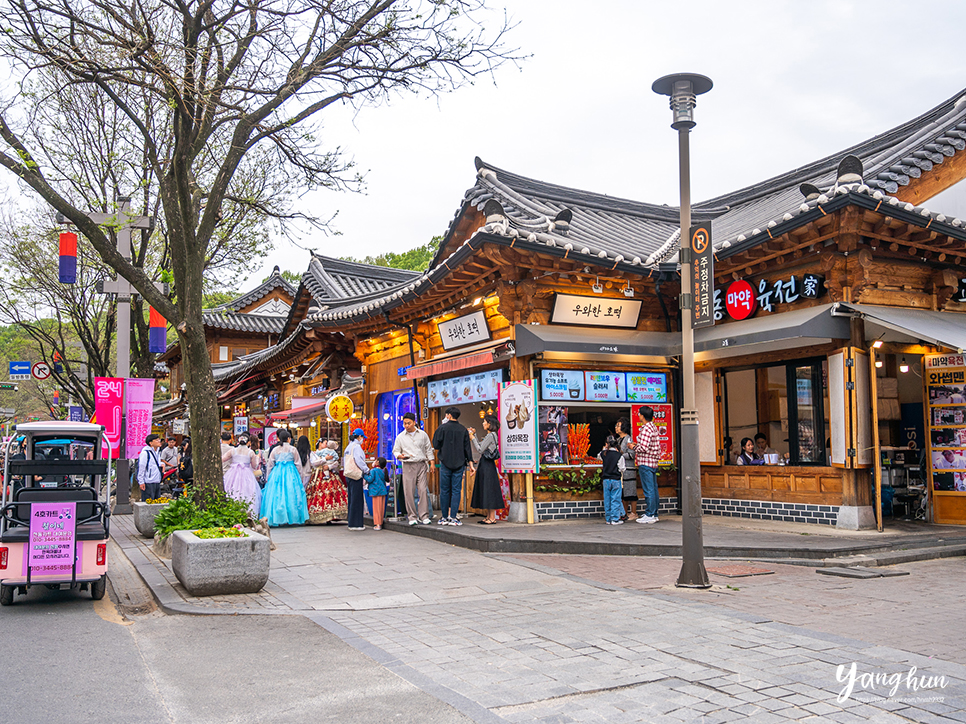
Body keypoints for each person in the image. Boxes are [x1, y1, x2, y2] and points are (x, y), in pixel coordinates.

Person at [432, 406, 474, 526]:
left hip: (445, 463)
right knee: (456, 490)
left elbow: (436, 444)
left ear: (449, 415)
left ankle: (444, 517)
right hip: (460, 464)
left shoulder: (442, 428)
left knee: (444, 490)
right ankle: (454, 517)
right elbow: (467, 449)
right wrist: (471, 464)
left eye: (446, 415)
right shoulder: (463, 430)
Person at [392, 412, 434, 525]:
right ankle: (412, 517)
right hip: (408, 464)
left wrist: (432, 462)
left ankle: (424, 516)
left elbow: (428, 449)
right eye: (405, 423)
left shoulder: (423, 434)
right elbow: (396, 450)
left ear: (414, 422)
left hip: (421, 464)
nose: (406, 425)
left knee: (423, 490)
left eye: (409, 423)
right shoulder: (400, 437)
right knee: (409, 492)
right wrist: (399, 456)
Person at [262, 429, 309, 526]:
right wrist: (301, 476)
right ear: (288, 439)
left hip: (277, 472)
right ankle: (292, 517)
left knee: (277, 495)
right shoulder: (293, 449)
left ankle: (277, 517)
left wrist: (268, 477)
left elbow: (270, 464)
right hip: (291, 472)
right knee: (291, 494)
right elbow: (298, 464)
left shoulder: (275, 450)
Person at [470, 415, 504, 524]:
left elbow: (480, 449)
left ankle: (492, 517)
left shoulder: (491, 435)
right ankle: (489, 516)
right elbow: (482, 447)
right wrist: (474, 435)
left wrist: (473, 438)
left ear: (489, 424)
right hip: (488, 464)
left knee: (489, 489)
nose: (483, 423)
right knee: (488, 489)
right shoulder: (491, 435)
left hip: (487, 465)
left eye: (484, 422)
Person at [305, 439, 347, 524]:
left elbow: (336, 463)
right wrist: (325, 459)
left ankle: (331, 516)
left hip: (330, 474)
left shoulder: (331, 452)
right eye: (325, 443)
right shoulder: (314, 453)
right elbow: (314, 463)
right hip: (319, 474)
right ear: (320, 444)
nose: (327, 445)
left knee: (332, 493)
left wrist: (329, 466)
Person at [222, 434, 262, 518]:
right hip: (246, 473)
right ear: (248, 442)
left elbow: (222, 459)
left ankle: (231, 511)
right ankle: (249, 513)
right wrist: (257, 457)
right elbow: (254, 465)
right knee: (248, 492)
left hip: (233, 472)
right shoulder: (250, 452)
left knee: (231, 489)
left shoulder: (233, 450)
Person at [633, 406, 661, 524]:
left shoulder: (646, 429)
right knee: (653, 489)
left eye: (639, 414)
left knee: (648, 490)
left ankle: (649, 514)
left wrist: (633, 447)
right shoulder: (653, 427)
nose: (638, 415)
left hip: (645, 462)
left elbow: (643, 448)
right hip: (653, 463)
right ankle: (654, 513)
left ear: (642, 416)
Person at [343, 428, 369, 531]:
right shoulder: (357, 447)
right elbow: (359, 460)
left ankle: (351, 522)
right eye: (362, 437)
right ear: (359, 437)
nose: (362, 439)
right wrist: (366, 470)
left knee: (352, 499)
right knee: (357, 499)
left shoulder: (349, 447)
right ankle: (356, 524)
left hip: (348, 474)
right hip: (356, 475)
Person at [598, 435, 626, 525]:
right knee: (615, 500)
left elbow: (598, 456)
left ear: (607, 444)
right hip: (616, 480)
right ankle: (615, 519)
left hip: (606, 480)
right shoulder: (619, 455)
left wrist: (604, 448)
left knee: (607, 500)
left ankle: (608, 519)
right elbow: (622, 468)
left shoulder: (604, 454)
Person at [615, 417, 637, 521]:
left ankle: (633, 512)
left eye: (618, 426)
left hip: (629, 468)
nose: (616, 428)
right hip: (622, 469)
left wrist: (621, 455)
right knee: (624, 492)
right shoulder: (618, 439)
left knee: (631, 492)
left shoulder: (628, 439)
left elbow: (632, 454)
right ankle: (625, 512)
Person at [364, 457, 389, 530]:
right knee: (381, 508)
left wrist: (364, 475)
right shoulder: (383, 471)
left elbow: (370, 479)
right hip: (382, 491)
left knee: (376, 508)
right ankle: (380, 522)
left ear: (377, 462)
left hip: (375, 491)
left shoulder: (373, 471)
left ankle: (378, 524)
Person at [137, 433, 164, 501]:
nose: (159, 441)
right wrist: (141, 482)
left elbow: (155, 464)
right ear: (151, 443)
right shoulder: (145, 453)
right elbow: (141, 467)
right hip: (148, 482)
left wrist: (162, 464)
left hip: (156, 480)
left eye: (159, 440)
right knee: (148, 502)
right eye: (157, 440)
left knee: (156, 502)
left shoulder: (157, 452)